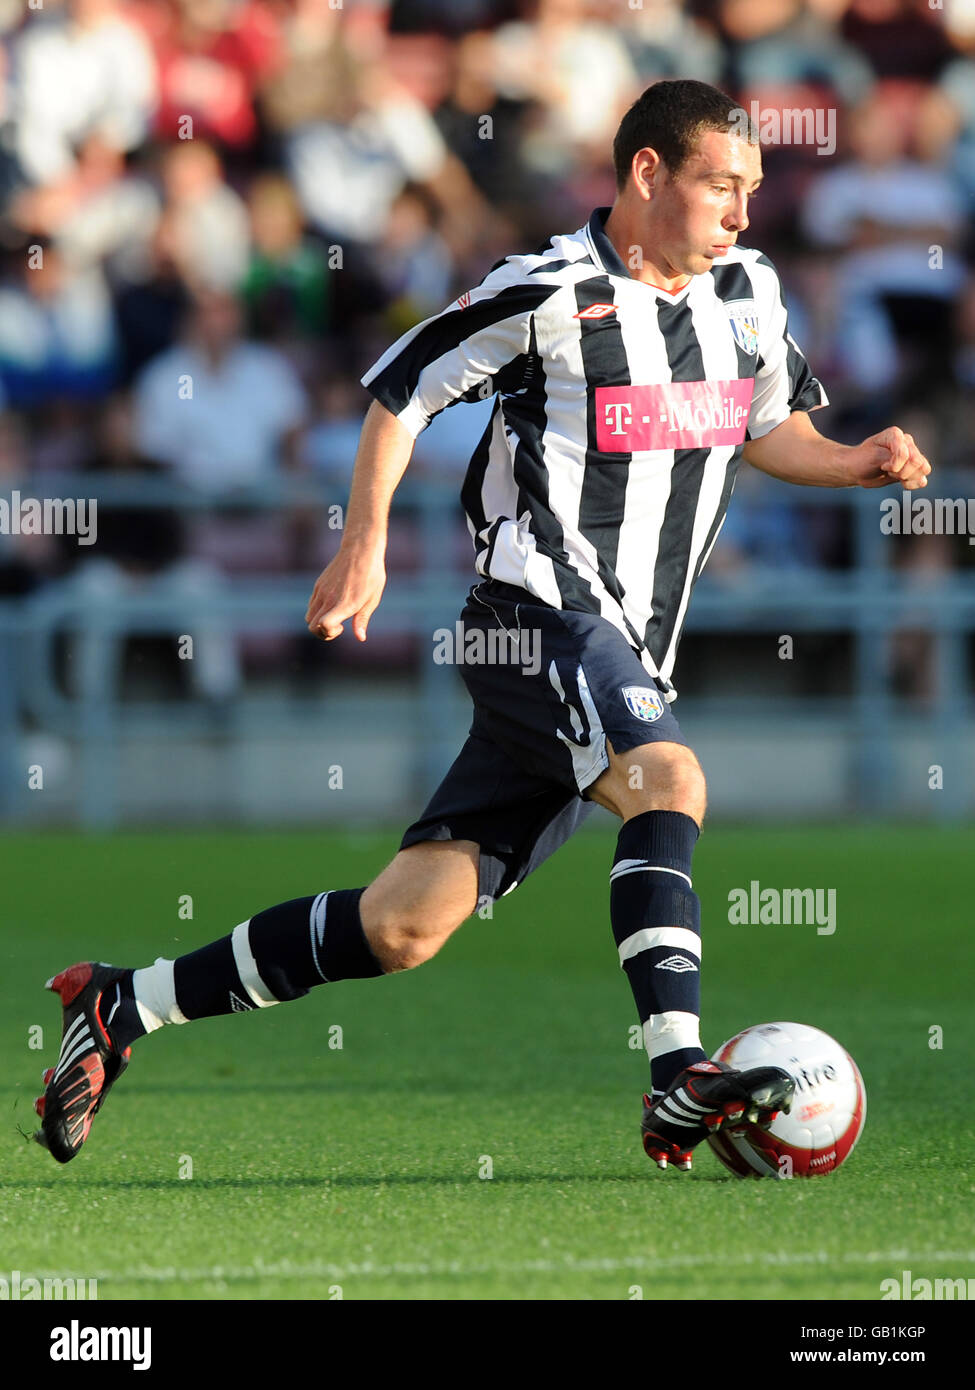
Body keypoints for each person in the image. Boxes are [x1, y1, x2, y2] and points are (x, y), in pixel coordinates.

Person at [33, 80, 930, 1171]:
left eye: (748, 186)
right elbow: (400, 392)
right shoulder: (548, 291)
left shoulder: (747, 290)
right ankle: (675, 1076)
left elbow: (765, 426)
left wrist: (856, 460)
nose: (744, 209)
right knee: (671, 782)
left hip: (625, 653)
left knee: (404, 924)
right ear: (647, 175)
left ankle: (123, 1006)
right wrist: (362, 543)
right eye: (719, 186)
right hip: (535, 614)